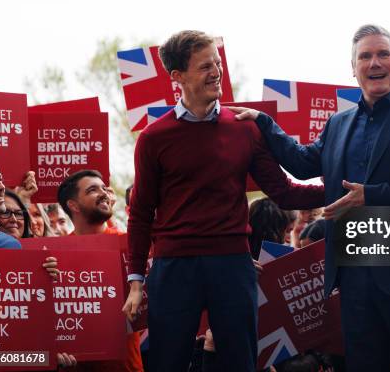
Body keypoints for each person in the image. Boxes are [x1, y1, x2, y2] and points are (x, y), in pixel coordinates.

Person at [232, 24, 390, 371]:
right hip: (355, 279)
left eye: (383, 54)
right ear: (352, 68)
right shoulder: (338, 124)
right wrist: (265, 123)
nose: (374, 62)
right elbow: (303, 163)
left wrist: (370, 196)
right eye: (365, 56)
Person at [122, 30, 324, 372]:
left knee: (240, 363)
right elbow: (140, 213)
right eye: (205, 66)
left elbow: (284, 191)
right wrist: (136, 280)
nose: (216, 72)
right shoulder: (153, 138)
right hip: (174, 267)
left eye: (217, 63)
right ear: (177, 76)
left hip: (232, 265)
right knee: (166, 362)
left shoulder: (244, 128)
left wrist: (341, 190)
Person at [0, 152, 73, 367]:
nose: (1, 186)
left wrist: (42, 280)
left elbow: (25, 324)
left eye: (0, 178)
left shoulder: (13, 246)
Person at [57, 169, 144, 372]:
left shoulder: (132, 245)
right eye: (93, 190)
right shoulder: (54, 254)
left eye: (104, 188)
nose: (105, 193)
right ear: (73, 205)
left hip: (126, 366)